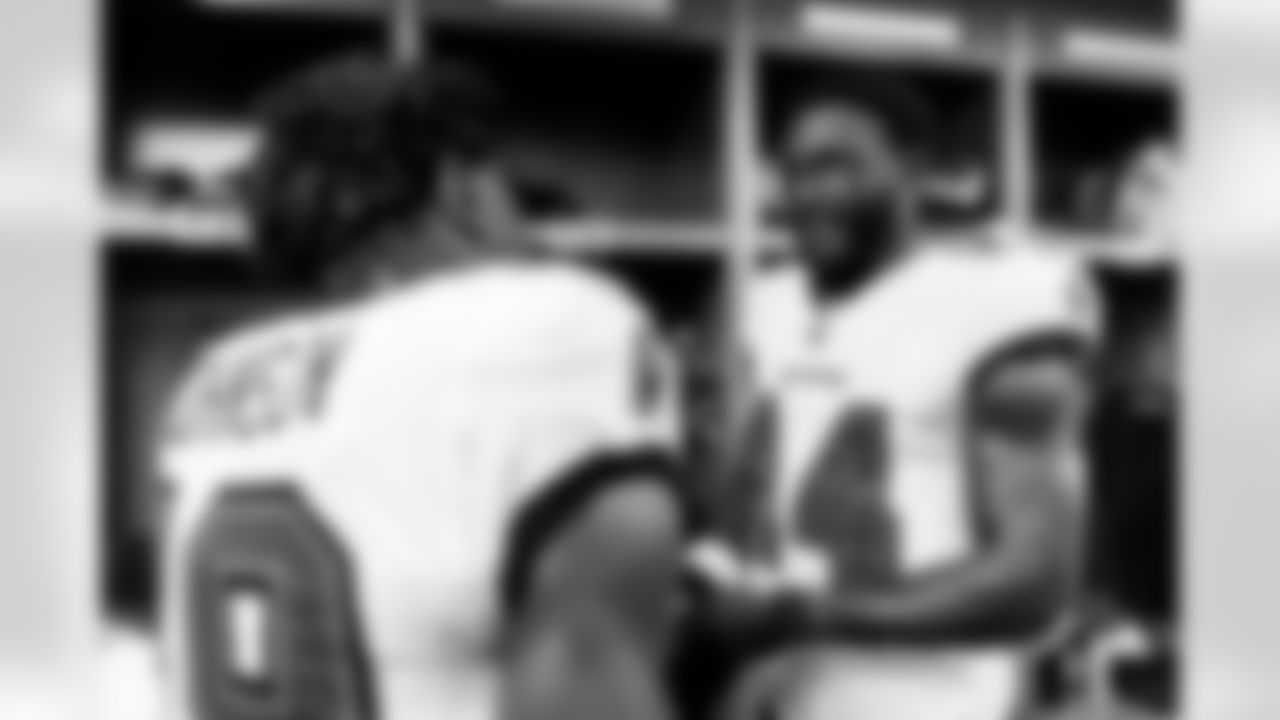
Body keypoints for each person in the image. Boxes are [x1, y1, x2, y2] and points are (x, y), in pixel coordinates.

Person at [153, 56, 687, 720]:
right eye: (507, 189)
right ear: (461, 186)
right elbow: (585, 666)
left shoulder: (216, 376)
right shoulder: (550, 331)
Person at [689, 73, 1100, 720]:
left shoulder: (999, 305)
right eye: (792, 172)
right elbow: (756, 503)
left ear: (912, 168)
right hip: (785, 691)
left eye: (836, 167)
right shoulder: (767, 302)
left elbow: (1036, 583)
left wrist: (804, 616)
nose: (806, 194)